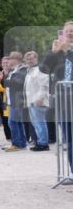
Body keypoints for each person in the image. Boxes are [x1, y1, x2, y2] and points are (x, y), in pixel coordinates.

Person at [41, 21, 73, 168]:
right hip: (63, 101)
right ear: (63, 34)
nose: (70, 33)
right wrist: (53, 52)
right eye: (68, 31)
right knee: (69, 138)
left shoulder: (67, 52)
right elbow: (43, 69)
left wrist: (68, 52)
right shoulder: (57, 53)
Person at [25, 50, 51, 152]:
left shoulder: (41, 69)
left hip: (38, 100)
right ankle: (40, 142)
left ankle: (44, 144)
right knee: (36, 123)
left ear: (36, 58)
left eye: (32, 58)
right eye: (28, 59)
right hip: (31, 100)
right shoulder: (30, 70)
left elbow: (45, 85)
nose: (30, 60)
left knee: (40, 122)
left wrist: (41, 98)